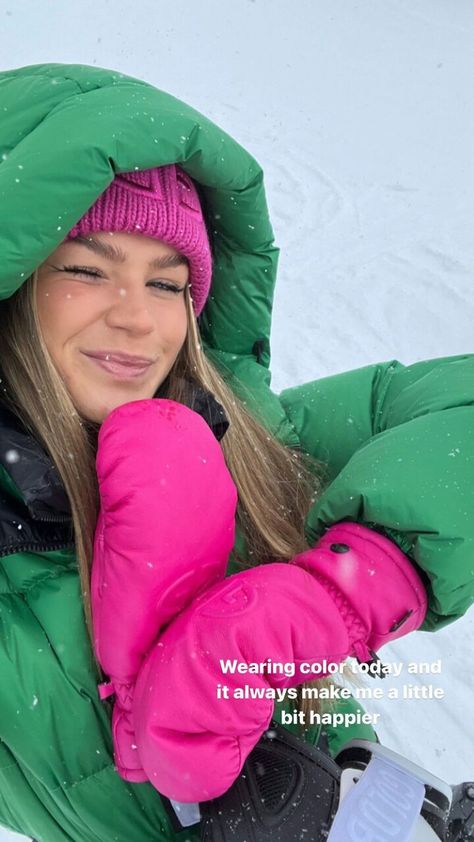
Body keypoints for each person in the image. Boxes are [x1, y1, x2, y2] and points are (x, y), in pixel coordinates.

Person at [0, 61, 472, 842]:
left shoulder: (248, 444)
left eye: (167, 284)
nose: (137, 320)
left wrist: (347, 597)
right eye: (87, 270)